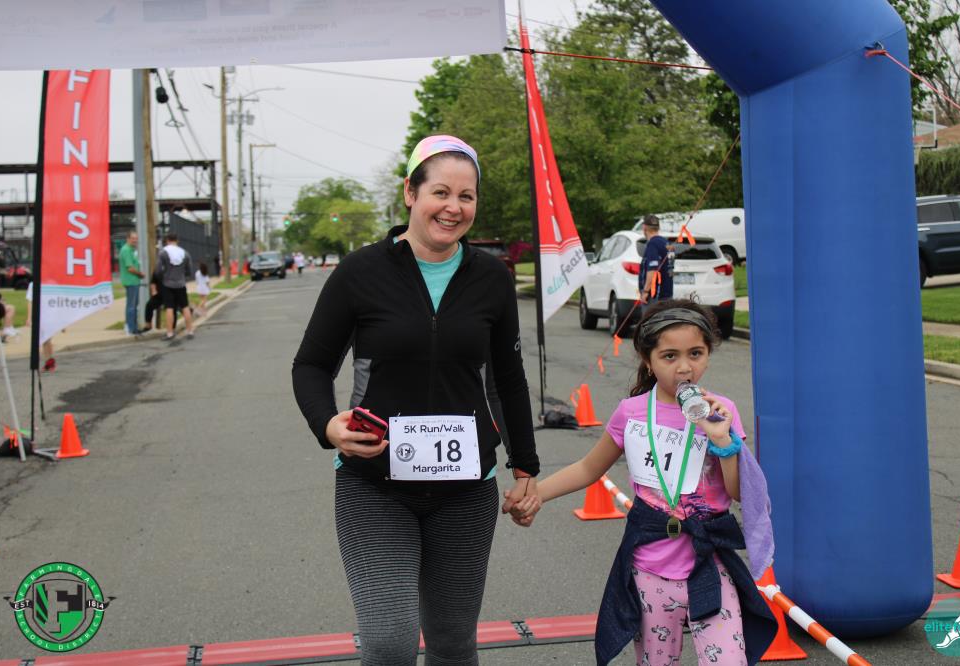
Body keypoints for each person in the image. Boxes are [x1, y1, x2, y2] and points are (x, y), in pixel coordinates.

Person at [292, 135, 540, 666]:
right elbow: (310, 366)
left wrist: (525, 466)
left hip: (466, 492)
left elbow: (508, 377)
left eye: (467, 196)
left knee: (452, 643)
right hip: (374, 486)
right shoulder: (360, 272)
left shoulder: (491, 278)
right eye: (441, 192)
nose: (454, 207)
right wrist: (328, 426)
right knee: (388, 643)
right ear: (411, 193)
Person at [508, 299, 778, 665]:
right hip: (650, 567)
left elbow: (736, 493)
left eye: (696, 353)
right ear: (647, 359)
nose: (685, 367)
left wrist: (722, 441)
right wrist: (535, 494)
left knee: (730, 660)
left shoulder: (720, 411)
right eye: (669, 356)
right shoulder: (632, 412)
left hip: (709, 563)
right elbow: (589, 468)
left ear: (708, 354)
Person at [156, 233, 194, 341]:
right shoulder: (185, 253)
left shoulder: (163, 253)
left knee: (169, 308)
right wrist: (183, 276)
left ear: (167, 240)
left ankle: (170, 333)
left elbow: (158, 270)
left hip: (168, 284)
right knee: (185, 307)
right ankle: (190, 331)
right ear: (177, 240)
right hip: (181, 284)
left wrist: (162, 277)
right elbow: (189, 270)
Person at [639, 214, 674, 305]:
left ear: (644, 227)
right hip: (667, 294)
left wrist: (646, 291)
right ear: (658, 227)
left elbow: (653, 270)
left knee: (650, 315)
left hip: (654, 297)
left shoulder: (653, 244)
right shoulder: (667, 243)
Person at [118, 230, 145, 336]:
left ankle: (132, 327)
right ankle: (131, 328)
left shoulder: (131, 249)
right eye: (133, 238)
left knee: (133, 305)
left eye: (136, 238)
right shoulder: (126, 250)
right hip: (131, 281)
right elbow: (130, 268)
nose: (135, 240)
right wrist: (140, 274)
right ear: (128, 239)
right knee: (132, 306)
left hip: (133, 281)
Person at [24, 281, 55, 371]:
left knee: (46, 338)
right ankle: (48, 361)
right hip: (38, 315)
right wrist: (29, 317)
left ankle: (49, 361)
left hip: (50, 314)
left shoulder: (51, 283)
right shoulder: (33, 284)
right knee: (42, 339)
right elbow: (30, 301)